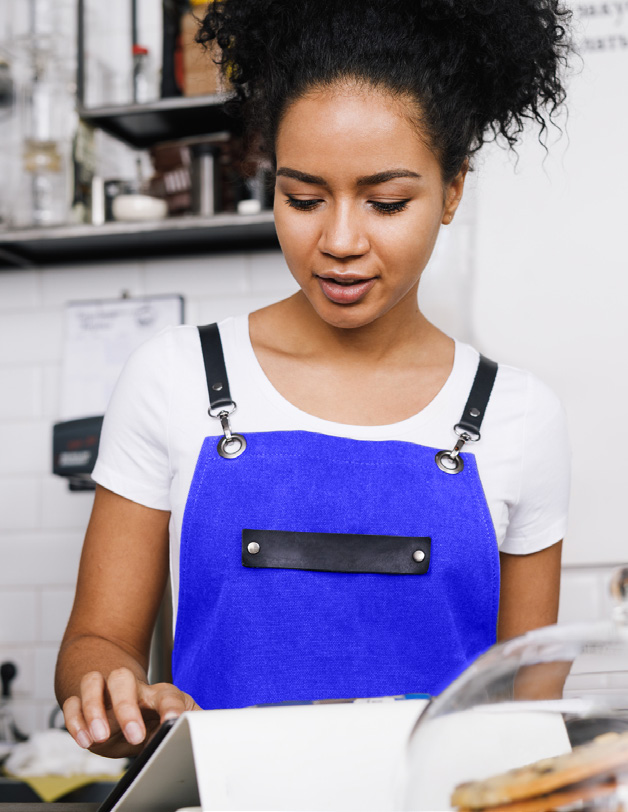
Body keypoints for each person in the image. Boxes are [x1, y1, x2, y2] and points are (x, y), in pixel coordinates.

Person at [56, 0, 573, 758]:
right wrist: (116, 696)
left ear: (454, 186)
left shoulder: (518, 417)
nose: (337, 241)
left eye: (386, 202)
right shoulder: (177, 379)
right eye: (301, 198)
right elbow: (94, 644)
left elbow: (529, 724)